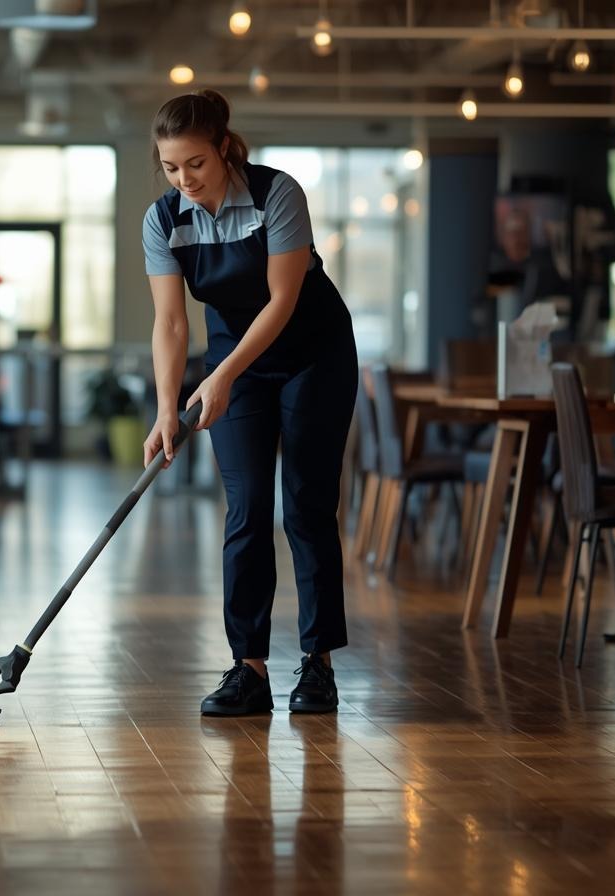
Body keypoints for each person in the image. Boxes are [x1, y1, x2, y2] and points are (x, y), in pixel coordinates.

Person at [140, 90, 358, 716]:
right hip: (236, 361)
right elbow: (172, 325)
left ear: (224, 150)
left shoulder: (276, 194)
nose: (185, 180)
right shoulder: (163, 220)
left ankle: (317, 664)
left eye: (197, 164)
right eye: (171, 168)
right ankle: (249, 669)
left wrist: (223, 375)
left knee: (308, 506)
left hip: (312, 353)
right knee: (246, 509)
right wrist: (166, 408)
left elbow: (282, 301)